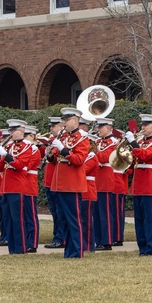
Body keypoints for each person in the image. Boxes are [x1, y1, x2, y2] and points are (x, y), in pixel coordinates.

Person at [50, 107, 91, 258]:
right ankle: (69, 250)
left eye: (66, 120)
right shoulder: (64, 136)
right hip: (60, 183)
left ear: (75, 120)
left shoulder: (82, 138)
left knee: (74, 219)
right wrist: (50, 155)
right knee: (64, 219)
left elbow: (79, 160)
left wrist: (64, 150)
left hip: (72, 184)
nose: (64, 124)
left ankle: (77, 251)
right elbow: (56, 160)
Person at [128, 114, 152, 256]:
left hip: (149, 182)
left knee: (149, 218)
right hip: (138, 183)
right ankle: (142, 246)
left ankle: (151, 247)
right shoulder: (140, 141)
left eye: (146, 125)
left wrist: (133, 144)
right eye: (142, 125)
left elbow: (144, 156)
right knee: (139, 219)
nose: (143, 127)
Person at [0, 119, 31, 254]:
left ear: (21, 131)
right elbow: (0, 167)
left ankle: (20, 247)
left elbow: (19, 165)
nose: (10, 133)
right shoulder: (9, 146)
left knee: (18, 219)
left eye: (12, 130)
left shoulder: (26, 146)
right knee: (8, 219)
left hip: (17, 187)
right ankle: (12, 248)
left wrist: (5, 155)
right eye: (9, 130)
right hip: (5, 187)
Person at [41, 116, 67, 249]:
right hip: (49, 181)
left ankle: (60, 238)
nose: (51, 128)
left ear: (62, 126)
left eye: (54, 126)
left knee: (60, 212)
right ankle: (57, 236)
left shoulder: (63, 142)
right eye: (51, 126)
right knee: (54, 212)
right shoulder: (52, 141)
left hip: (57, 181)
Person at [94, 117, 118, 251]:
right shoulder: (98, 141)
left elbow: (104, 158)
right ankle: (98, 240)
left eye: (101, 127)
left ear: (108, 128)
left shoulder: (114, 142)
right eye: (98, 127)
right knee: (96, 214)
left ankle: (107, 241)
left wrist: (94, 148)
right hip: (96, 180)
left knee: (105, 213)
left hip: (106, 180)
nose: (98, 129)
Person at [22, 125, 42, 252]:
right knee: (23, 216)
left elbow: (26, 166)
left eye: (26, 135)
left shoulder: (34, 150)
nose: (24, 138)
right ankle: (24, 241)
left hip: (29, 185)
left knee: (31, 216)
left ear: (32, 136)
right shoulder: (24, 149)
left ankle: (32, 243)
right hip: (21, 185)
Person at [81, 132, 99, 253]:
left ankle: (89, 246)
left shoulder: (92, 157)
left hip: (88, 191)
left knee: (86, 221)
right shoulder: (86, 156)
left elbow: (83, 170)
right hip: (82, 189)